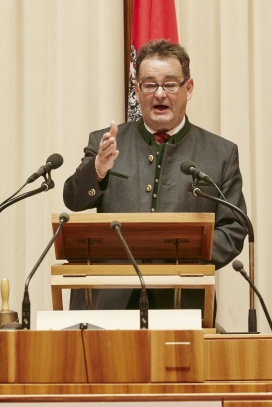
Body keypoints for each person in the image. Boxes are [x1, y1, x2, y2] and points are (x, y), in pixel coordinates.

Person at [63, 39, 247, 311]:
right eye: (149, 84)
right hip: (108, 301)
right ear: (137, 90)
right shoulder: (107, 143)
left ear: (189, 88)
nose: (159, 94)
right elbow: (73, 200)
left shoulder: (220, 153)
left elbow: (233, 230)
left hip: (181, 301)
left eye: (170, 84)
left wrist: (183, 252)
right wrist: (98, 169)